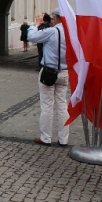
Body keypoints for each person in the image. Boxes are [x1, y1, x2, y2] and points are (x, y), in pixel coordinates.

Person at [27, 8, 69, 147]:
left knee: (47, 105)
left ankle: (46, 137)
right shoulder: (71, 32)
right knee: (62, 105)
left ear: (56, 18)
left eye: (53, 17)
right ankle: (64, 139)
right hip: (64, 72)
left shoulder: (53, 31)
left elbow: (32, 37)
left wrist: (36, 25)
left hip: (49, 72)